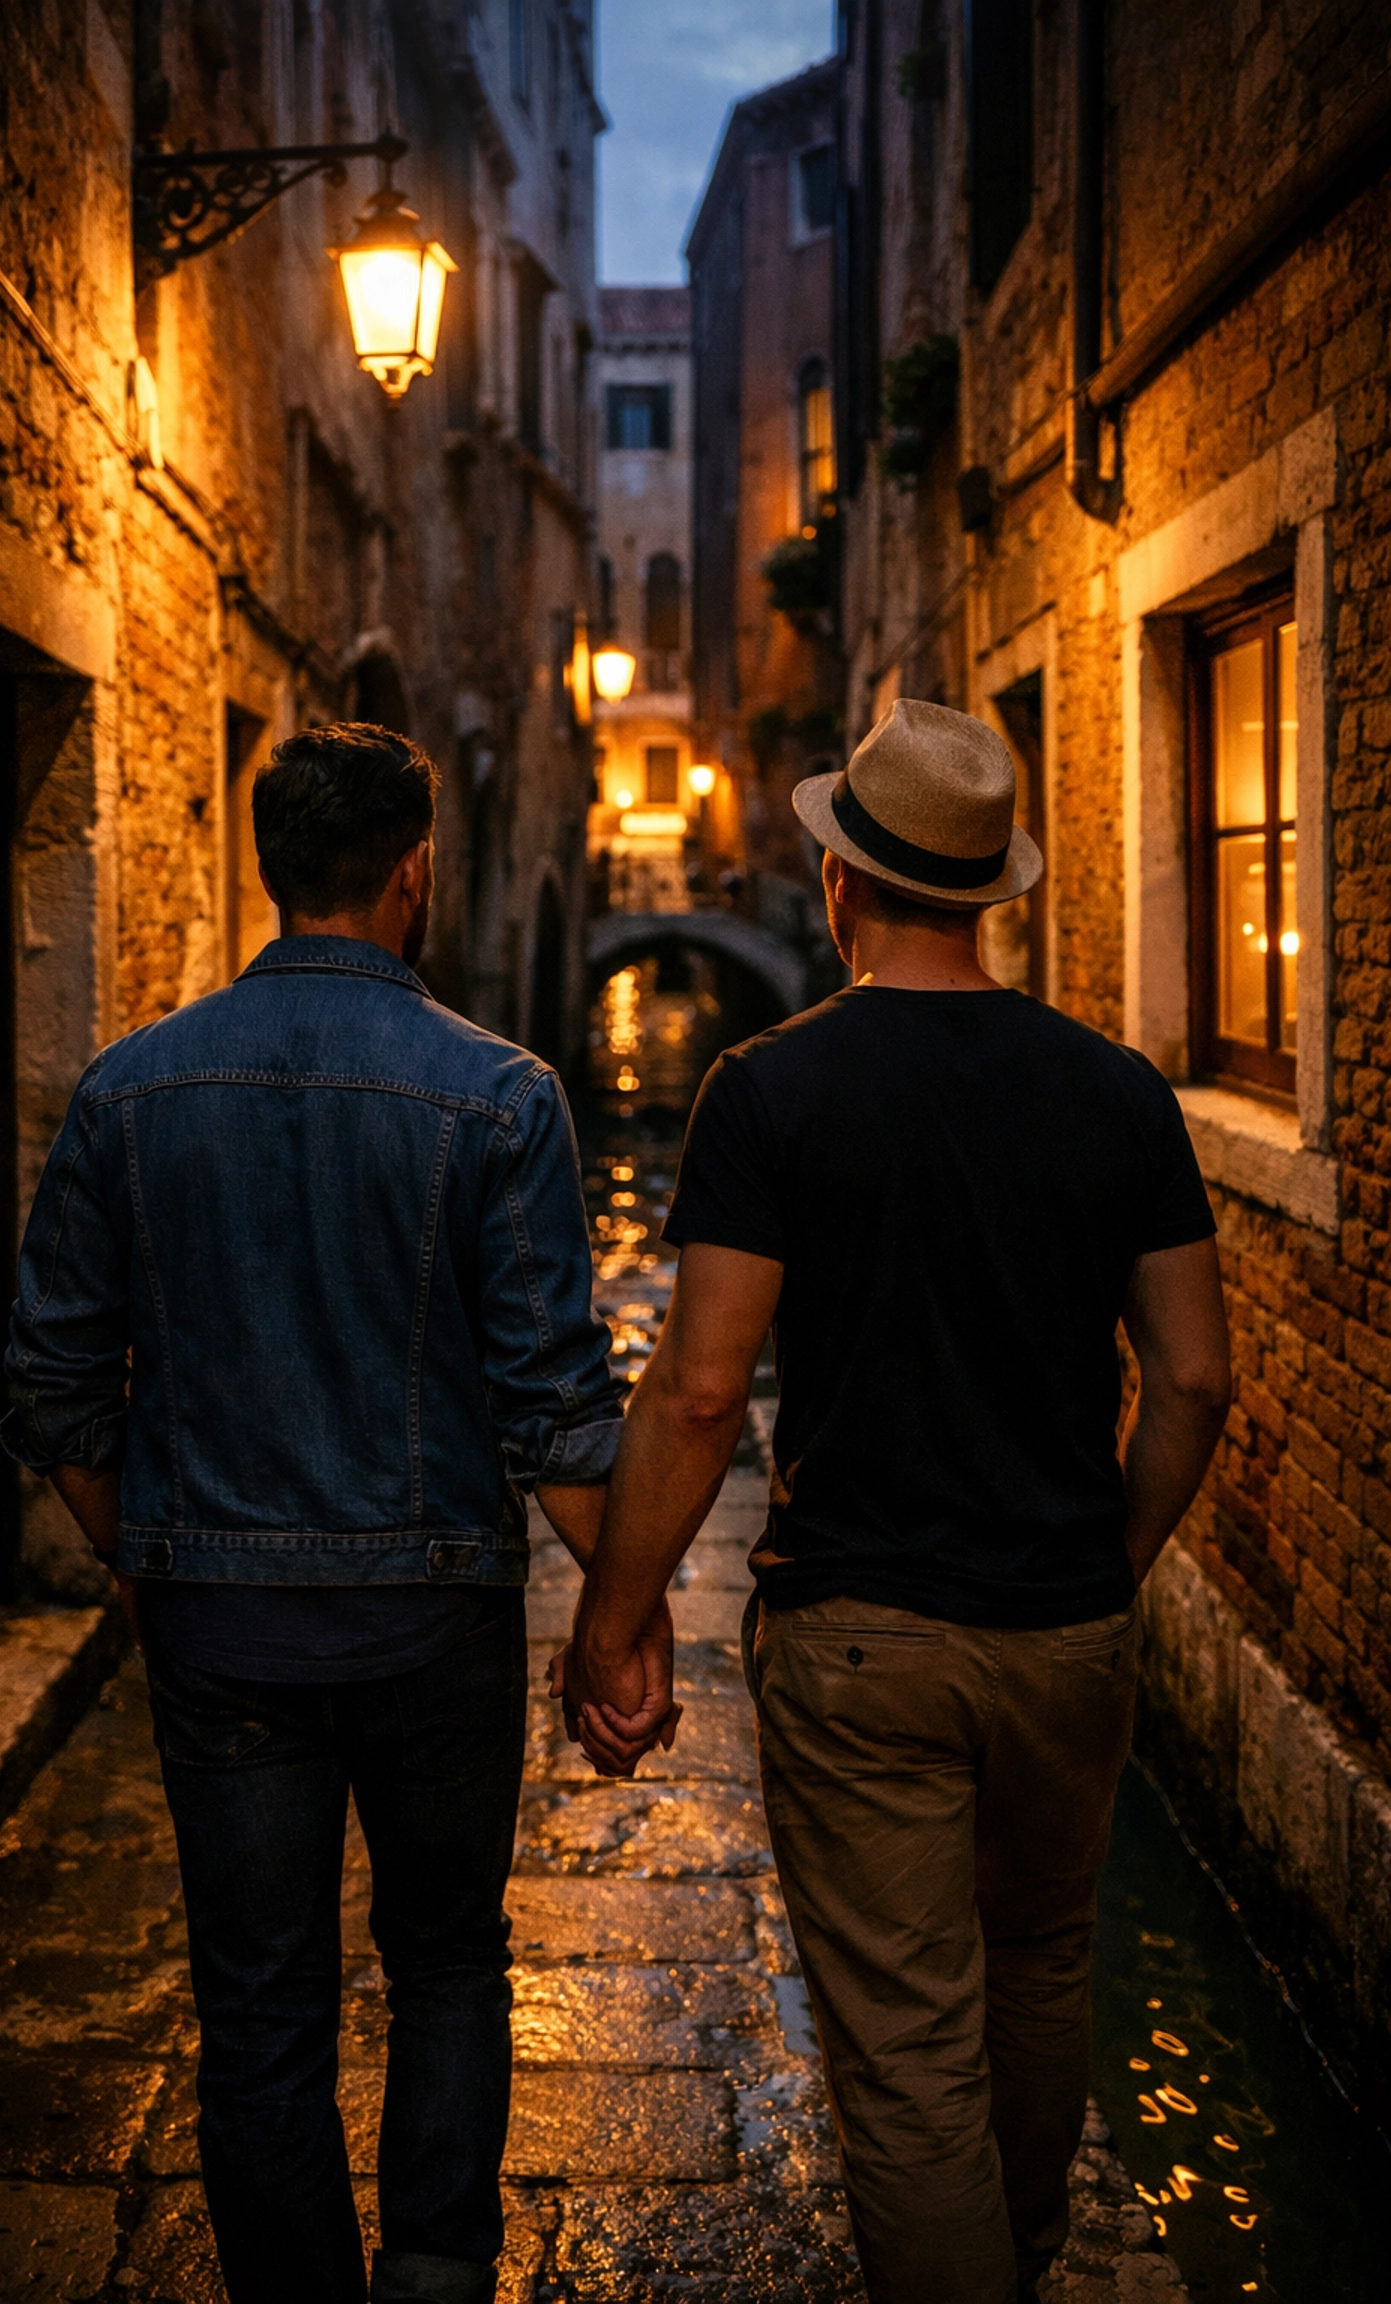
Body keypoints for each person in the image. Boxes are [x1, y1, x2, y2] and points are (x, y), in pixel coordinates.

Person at [559, 698, 1232, 2304]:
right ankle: (1030, 2250)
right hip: (1067, 1630)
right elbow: (1195, 1379)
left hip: (864, 1642)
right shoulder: (1120, 1093)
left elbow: (702, 1389)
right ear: (995, 893)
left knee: (912, 2052)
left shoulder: (770, 1089)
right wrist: (1106, 1563)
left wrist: (616, 1613)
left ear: (842, 886)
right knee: (1041, 1968)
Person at [2, 723, 662, 2304]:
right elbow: (561, 1415)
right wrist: (621, 1626)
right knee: (445, 1966)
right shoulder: (504, 1098)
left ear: (268, 871)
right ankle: (437, 2279)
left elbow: (53, 1391)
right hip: (433, 1621)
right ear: (415, 872)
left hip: (219, 1626)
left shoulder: (123, 1093)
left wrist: (142, 1553)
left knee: (259, 2007)